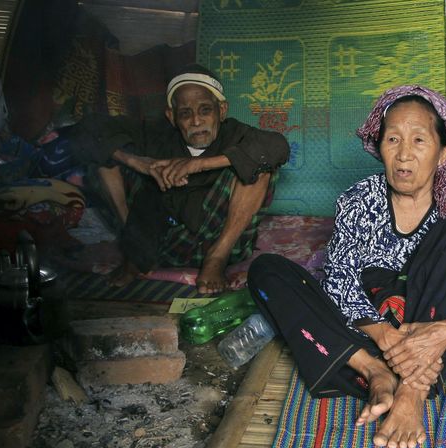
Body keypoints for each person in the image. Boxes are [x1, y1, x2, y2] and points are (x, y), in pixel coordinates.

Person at [247, 85, 446, 448]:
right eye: (393, 139)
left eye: (419, 140)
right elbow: (340, 279)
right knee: (267, 271)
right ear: (379, 146)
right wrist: (386, 338)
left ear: (444, 152)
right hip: (363, 339)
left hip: (429, 341)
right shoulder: (358, 200)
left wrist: (443, 333)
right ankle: (377, 374)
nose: (404, 154)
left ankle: (412, 392)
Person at [69, 64, 290, 293]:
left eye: (205, 110)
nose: (196, 121)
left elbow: (278, 146)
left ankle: (216, 259)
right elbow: (83, 131)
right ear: (172, 116)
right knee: (104, 155)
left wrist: (199, 164)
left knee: (259, 166)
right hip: (161, 243)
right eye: (185, 113)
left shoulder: (235, 133)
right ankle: (133, 251)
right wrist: (138, 162)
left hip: (218, 240)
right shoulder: (156, 133)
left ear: (222, 110)